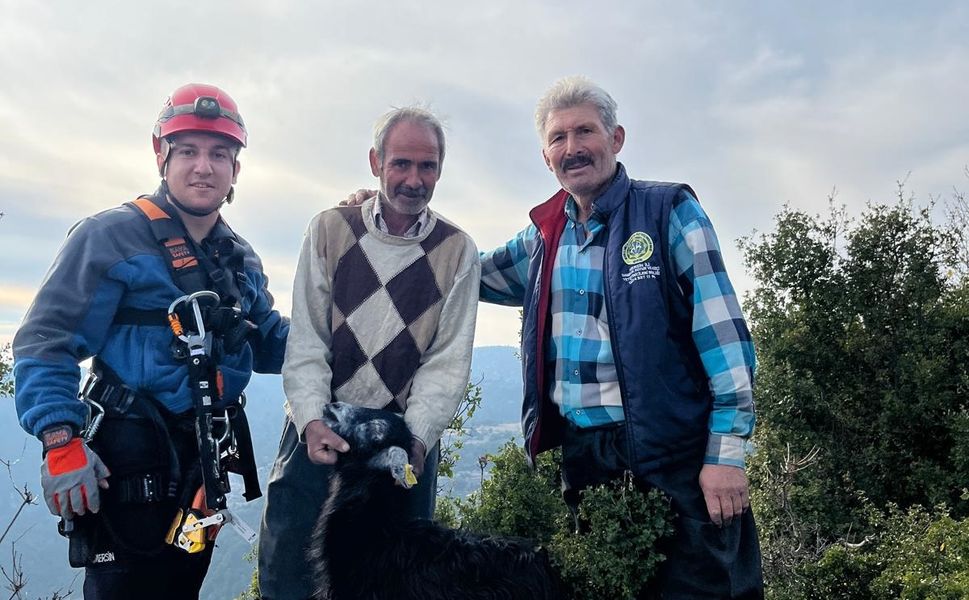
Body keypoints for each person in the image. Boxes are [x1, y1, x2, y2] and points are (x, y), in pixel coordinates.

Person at [478, 76, 763, 598]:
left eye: (585, 131)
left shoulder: (668, 212)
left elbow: (723, 335)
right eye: (558, 138)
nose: (573, 148)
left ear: (617, 138)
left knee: (707, 589)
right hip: (586, 461)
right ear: (545, 157)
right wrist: (389, 217)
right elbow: (461, 273)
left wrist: (725, 454)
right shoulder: (542, 238)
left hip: (675, 453)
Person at [12, 83, 289, 600]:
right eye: (188, 151)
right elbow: (44, 342)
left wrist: (348, 331)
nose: (203, 166)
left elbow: (270, 342)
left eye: (219, 154)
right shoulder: (109, 237)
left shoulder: (239, 258)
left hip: (202, 472)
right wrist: (60, 442)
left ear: (235, 170)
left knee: (182, 588)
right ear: (162, 156)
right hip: (128, 466)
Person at [258, 106, 480, 600]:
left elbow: (446, 362)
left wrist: (418, 439)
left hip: (400, 441)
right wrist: (312, 419)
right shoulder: (330, 229)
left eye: (427, 167)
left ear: (440, 170)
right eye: (401, 163)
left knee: (393, 584)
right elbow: (308, 339)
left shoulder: (458, 250)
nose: (414, 179)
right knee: (289, 573)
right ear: (376, 161)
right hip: (321, 432)